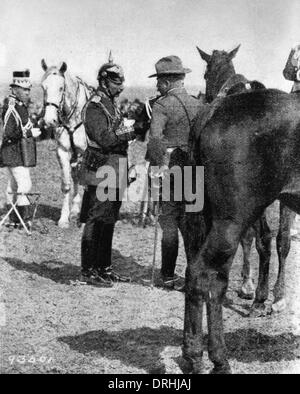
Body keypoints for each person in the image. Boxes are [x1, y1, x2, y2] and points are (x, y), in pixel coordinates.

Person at [79, 57, 145, 287]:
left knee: (109, 219)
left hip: (115, 167)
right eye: (117, 82)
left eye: (122, 81)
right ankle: (88, 270)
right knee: (96, 218)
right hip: (101, 166)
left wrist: (136, 124)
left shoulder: (110, 103)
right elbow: (106, 139)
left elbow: (118, 128)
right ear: (105, 82)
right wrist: (132, 131)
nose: (122, 86)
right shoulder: (95, 105)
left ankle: (104, 268)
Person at [147, 55, 202, 290]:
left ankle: (168, 276)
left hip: (170, 171)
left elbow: (156, 140)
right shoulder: (199, 105)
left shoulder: (161, 105)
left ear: (167, 83)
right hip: (196, 172)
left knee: (168, 225)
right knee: (194, 226)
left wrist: (154, 172)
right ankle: (194, 275)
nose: (157, 86)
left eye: (158, 81)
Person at [0, 70, 40, 227]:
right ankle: (25, 219)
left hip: (16, 152)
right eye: (24, 90)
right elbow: (9, 132)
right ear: (14, 90)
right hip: (13, 151)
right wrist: (29, 132)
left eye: (28, 89)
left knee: (14, 185)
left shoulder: (20, 106)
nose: (27, 93)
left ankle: (14, 218)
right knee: (25, 184)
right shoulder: (11, 106)